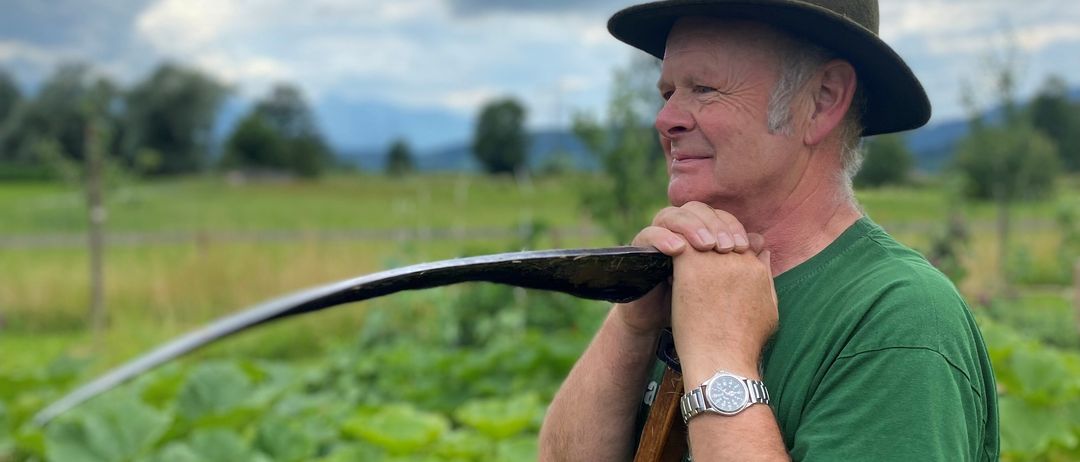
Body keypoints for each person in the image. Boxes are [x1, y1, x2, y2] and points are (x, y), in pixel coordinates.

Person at [539, 0, 999, 460]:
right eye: (667, 93)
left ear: (822, 99)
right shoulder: (682, 279)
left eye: (703, 87)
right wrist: (633, 323)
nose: (666, 120)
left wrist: (721, 360)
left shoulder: (900, 320)